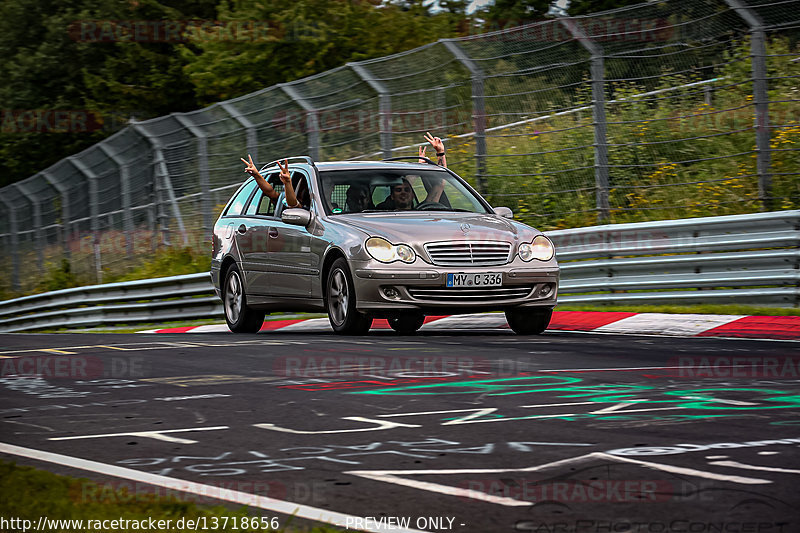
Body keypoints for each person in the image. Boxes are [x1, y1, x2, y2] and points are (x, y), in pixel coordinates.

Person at [374, 131, 448, 211]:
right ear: (392, 196)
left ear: (413, 195)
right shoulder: (382, 216)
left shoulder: (425, 211)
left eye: (407, 190)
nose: (403, 193)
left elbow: (440, 183)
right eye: (398, 190)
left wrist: (440, 153)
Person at [240, 155, 305, 209]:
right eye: (303, 188)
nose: (303, 192)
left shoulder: (311, 210)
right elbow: (293, 205)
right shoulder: (283, 200)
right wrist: (257, 175)